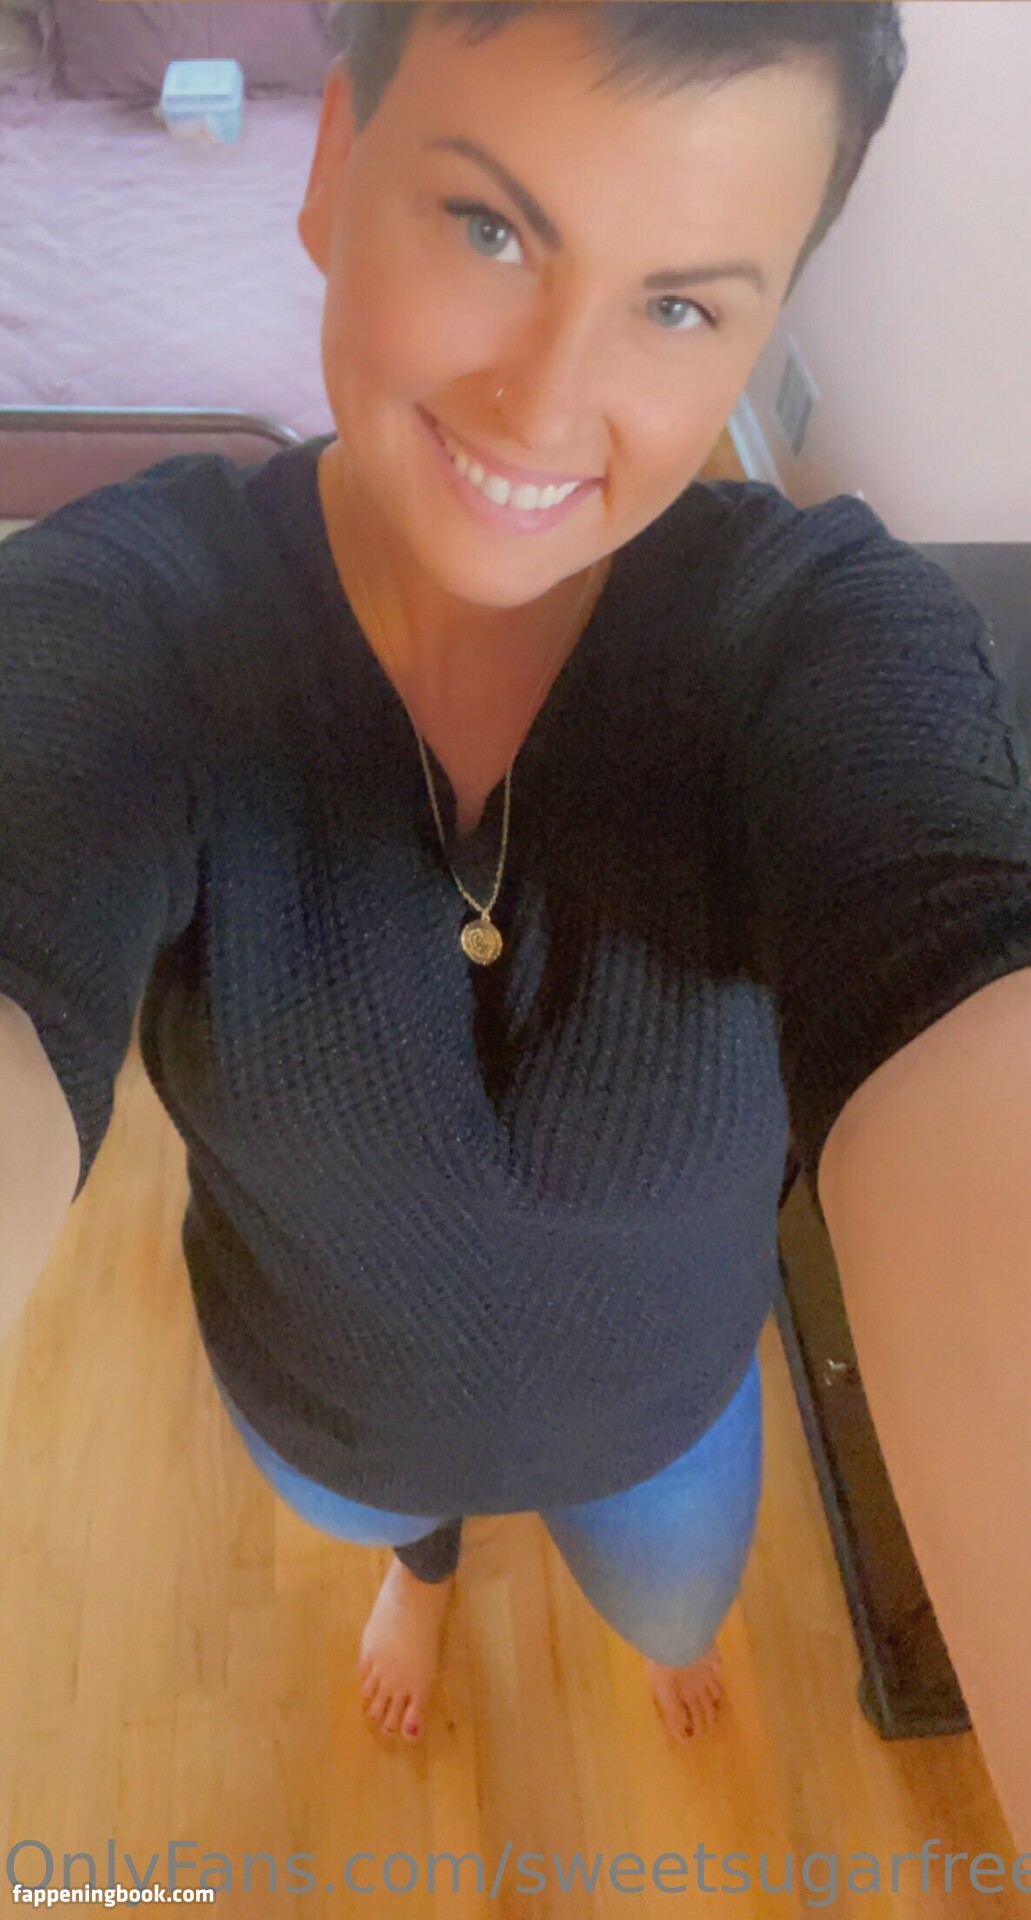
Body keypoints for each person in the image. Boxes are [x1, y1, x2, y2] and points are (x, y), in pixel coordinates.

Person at [8, 0, 1031, 1758]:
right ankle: (421, 1570)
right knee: (392, 1530)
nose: (547, 406)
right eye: (488, 227)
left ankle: (626, 1617)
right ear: (335, 163)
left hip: (660, 1436)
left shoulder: (812, 639)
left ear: (764, 327)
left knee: (673, 1602)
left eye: (681, 306)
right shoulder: (136, 623)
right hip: (331, 1423)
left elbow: (955, 972)